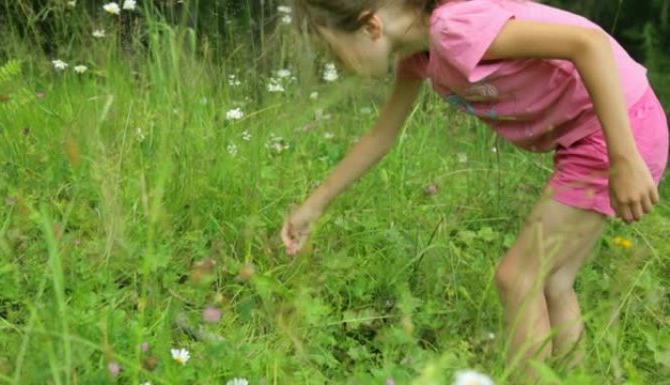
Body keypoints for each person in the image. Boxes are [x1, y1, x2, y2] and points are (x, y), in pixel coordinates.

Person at [279, 0, 669, 379]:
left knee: (517, 278)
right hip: (604, 131)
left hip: (616, 130)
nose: (337, 65)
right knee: (552, 282)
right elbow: (382, 136)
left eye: (333, 50)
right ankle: (576, 377)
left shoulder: (454, 30)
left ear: (371, 26)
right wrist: (313, 206)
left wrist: (624, 157)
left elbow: (589, 44)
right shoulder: (419, 56)